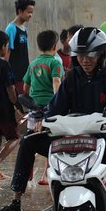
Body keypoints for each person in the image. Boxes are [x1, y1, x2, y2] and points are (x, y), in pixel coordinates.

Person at [0, 27, 106, 211]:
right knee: (29, 141)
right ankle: (16, 202)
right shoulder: (71, 78)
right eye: (80, 55)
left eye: (90, 54)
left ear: (101, 54)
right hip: (70, 138)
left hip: (100, 140)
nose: (85, 60)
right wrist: (42, 117)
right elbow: (56, 108)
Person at [23, 30, 64, 185]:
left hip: (34, 107)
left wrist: (28, 99)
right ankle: (46, 175)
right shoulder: (55, 63)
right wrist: (58, 101)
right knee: (51, 140)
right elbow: (56, 82)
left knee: (31, 137)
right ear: (55, 46)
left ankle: (28, 171)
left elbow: (26, 86)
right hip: (49, 108)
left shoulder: (33, 64)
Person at [0, 30, 21, 180]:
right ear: (3, 46)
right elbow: (11, 90)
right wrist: (17, 105)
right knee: (14, 138)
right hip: (3, 109)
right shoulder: (4, 65)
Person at [5, 0, 35, 94]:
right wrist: (5, 73)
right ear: (20, 11)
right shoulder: (11, 28)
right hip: (15, 75)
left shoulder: (24, 29)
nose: (30, 15)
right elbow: (7, 52)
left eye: (32, 12)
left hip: (24, 75)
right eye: (28, 12)